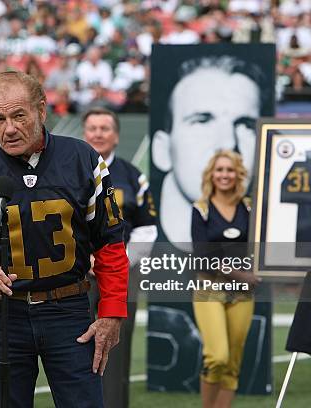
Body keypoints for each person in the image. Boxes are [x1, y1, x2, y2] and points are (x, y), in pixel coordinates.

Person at [0, 71, 129, 408]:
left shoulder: (83, 159)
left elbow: (110, 244)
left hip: (68, 309)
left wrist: (112, 311)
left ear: (41, 110)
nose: (8, 128)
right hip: (1, 316)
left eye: (18, 115)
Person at [82, 107, 157, 408]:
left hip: (121, 275)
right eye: (93, 128)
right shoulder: (70, 171)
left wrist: (118, 261)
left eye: (105, 128)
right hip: (77, 275)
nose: (98, 133)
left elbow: (147, 229)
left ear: (116, 136)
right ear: (85, 134)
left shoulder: (132, 176)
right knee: (76, 347)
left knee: (115, 350)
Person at [152, 55, 267, 245]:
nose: (228, 143)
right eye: (202, 121)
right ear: (162, 149)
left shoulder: (268, 231)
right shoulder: (136, 227)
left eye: (245, 125)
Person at [191, 150, 259, 408]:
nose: (224, 175)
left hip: (243, 293)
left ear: (238, 174)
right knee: (217, 357)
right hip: (210, 289)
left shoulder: (250, 207)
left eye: (230, 170)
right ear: (211, 174)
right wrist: (240, 273)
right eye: (219, 170)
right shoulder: (202, 209)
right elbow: (201, 257)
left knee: (232, 366)